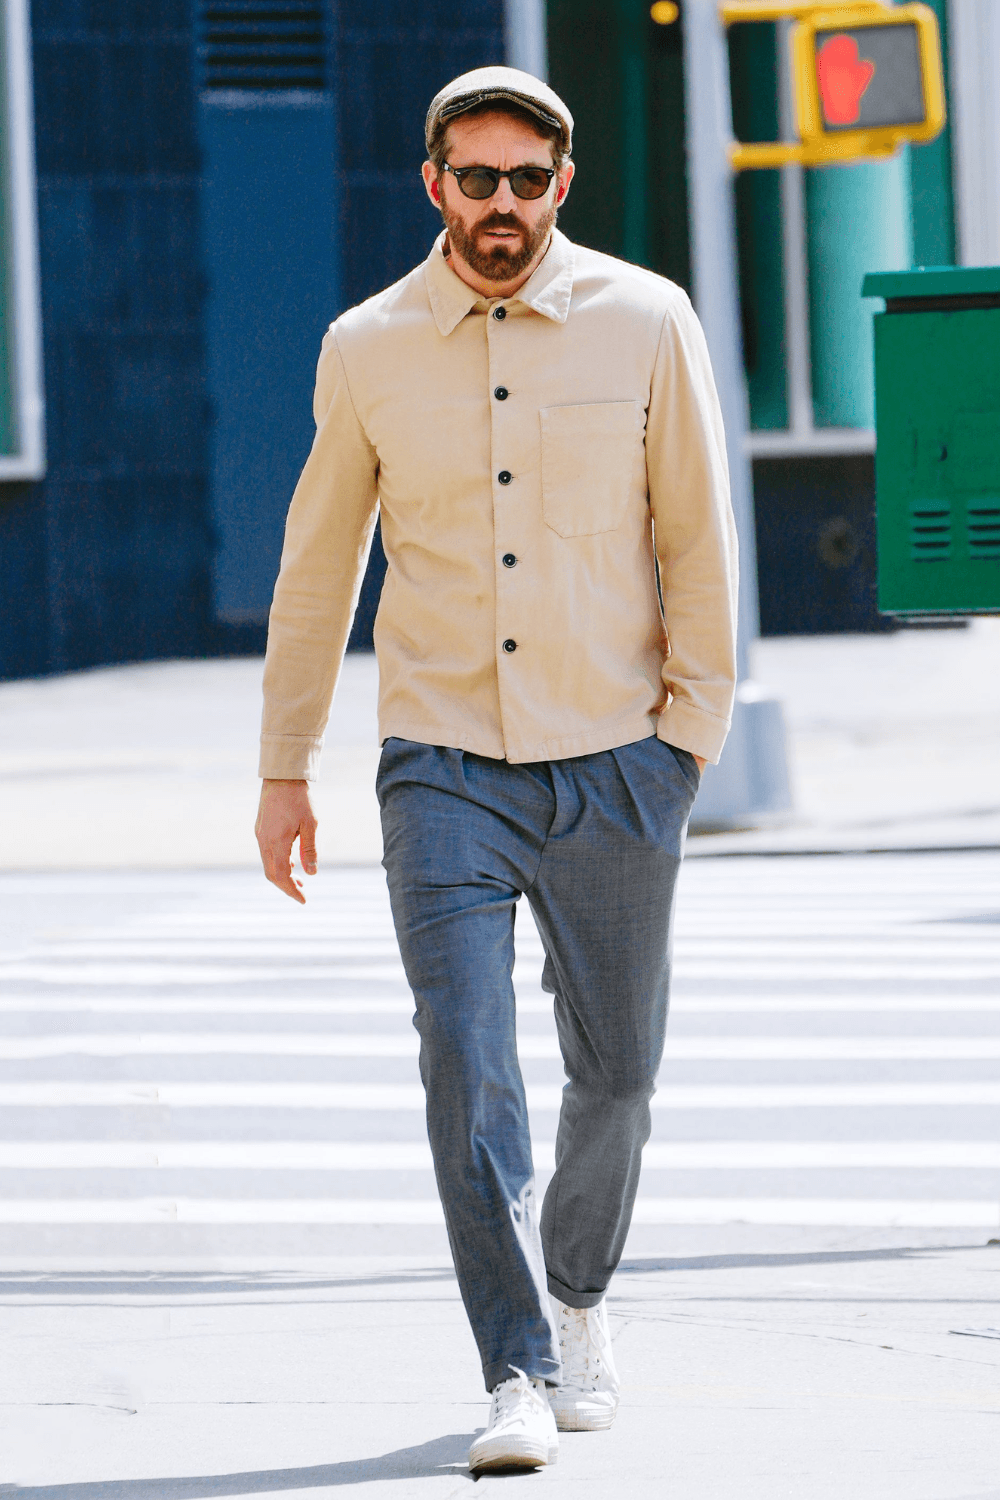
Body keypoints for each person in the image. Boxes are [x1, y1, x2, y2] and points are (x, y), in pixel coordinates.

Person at [255, 65, 738, 1474]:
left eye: (530, 181)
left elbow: (700, 538)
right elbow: (317, 566)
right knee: (467, 1063)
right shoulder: (367, 346)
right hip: (444, 765)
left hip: (619, 763)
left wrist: (686, 742)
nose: (505, 206)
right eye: (480, 180)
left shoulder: (648, 321)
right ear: (435, 186)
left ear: (561, 187)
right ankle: (515, 1365)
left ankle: (580, 1292)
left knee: (621, 1073)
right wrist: (288, 764)